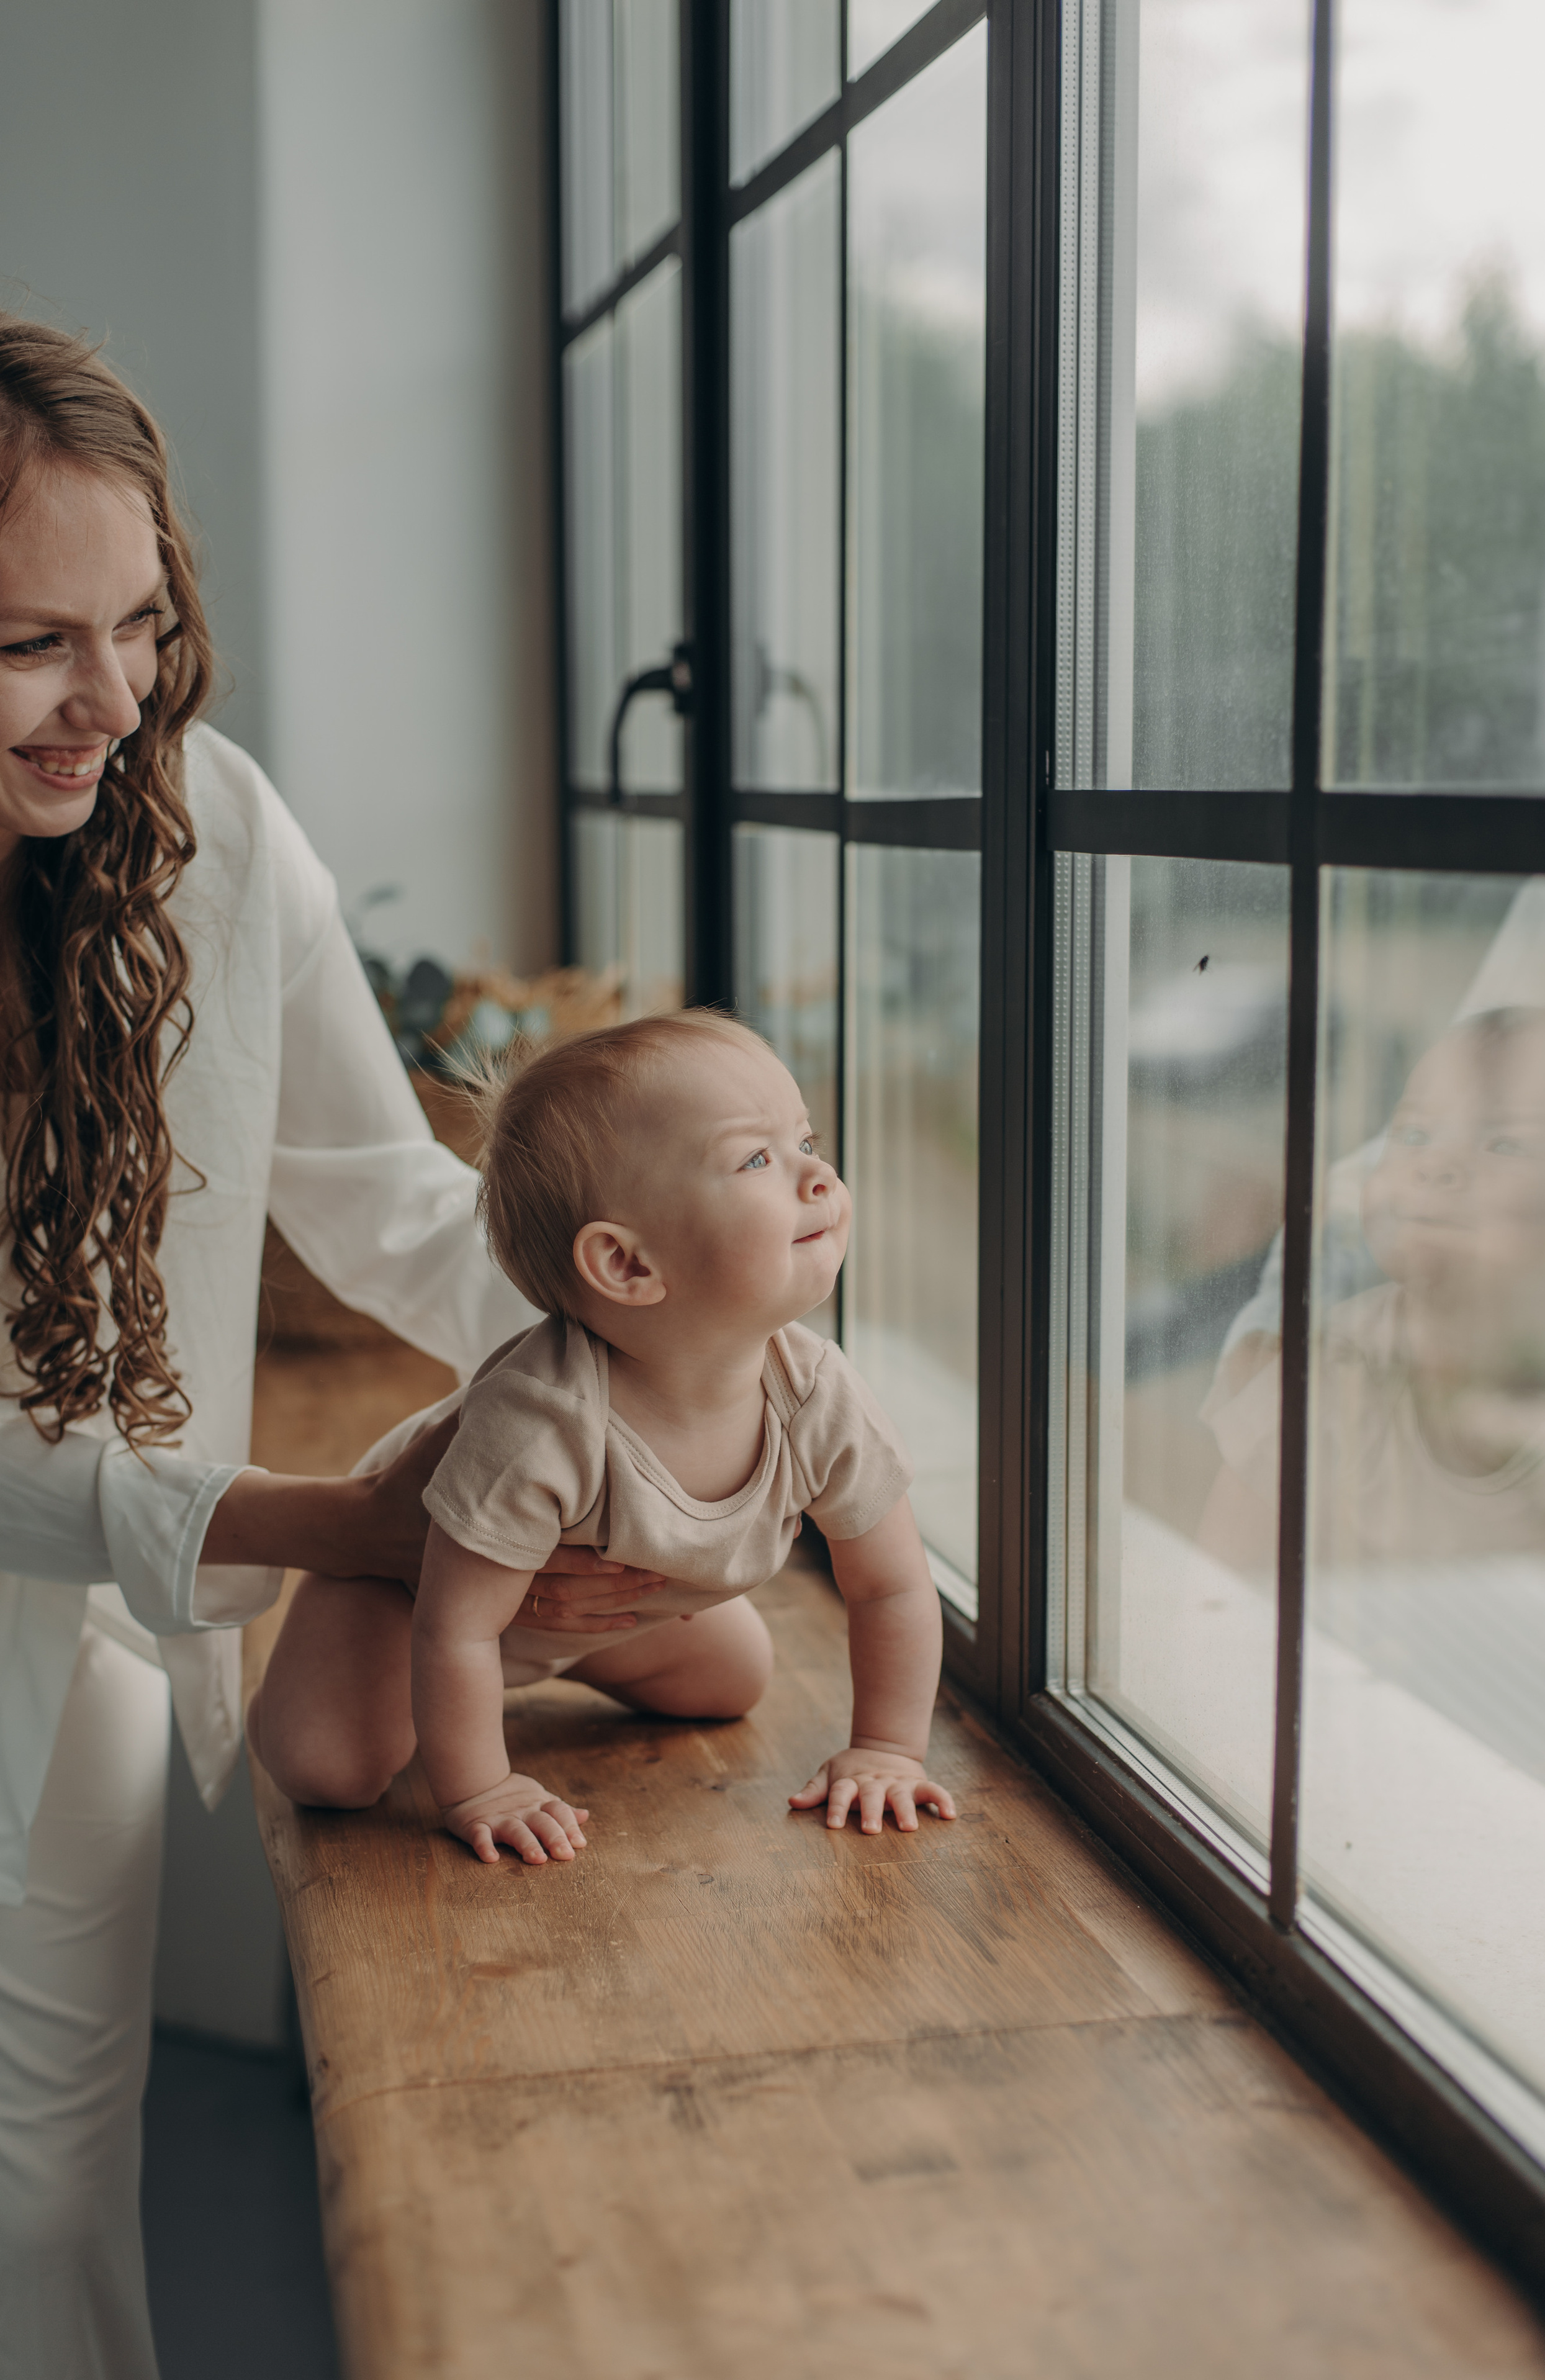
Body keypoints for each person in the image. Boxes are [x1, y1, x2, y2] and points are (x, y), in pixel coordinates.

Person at [0, 316, 660, 2379]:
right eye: (29, 641)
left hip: (85, 1638)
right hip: (142, 1537)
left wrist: (676, 1377)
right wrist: (339, 1521)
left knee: (41, 2202)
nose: (111, 699)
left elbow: (386, 1193)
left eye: (140, 621)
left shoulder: (201, 826)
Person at [251, 1012, 960, 1859]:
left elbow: (892, 1589)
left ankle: (564, 1658)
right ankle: (362, 1630)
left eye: (805, 1139)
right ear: (627, 1264)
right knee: (326, 1765)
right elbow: (458, 1629)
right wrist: (483, 1786)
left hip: (597, 1611)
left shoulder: (818, 1394)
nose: (818, 1175)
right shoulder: (540, 1420)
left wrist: (885, 1749)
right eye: (758, 1158)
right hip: (411, 1595)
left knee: (734, 1679)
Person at [1200, 1006, 1545, 1580]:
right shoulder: (1332, 1372)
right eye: (1413, 1134)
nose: (1434, 1165)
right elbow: (1217, 1590)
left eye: (1506, 1145)